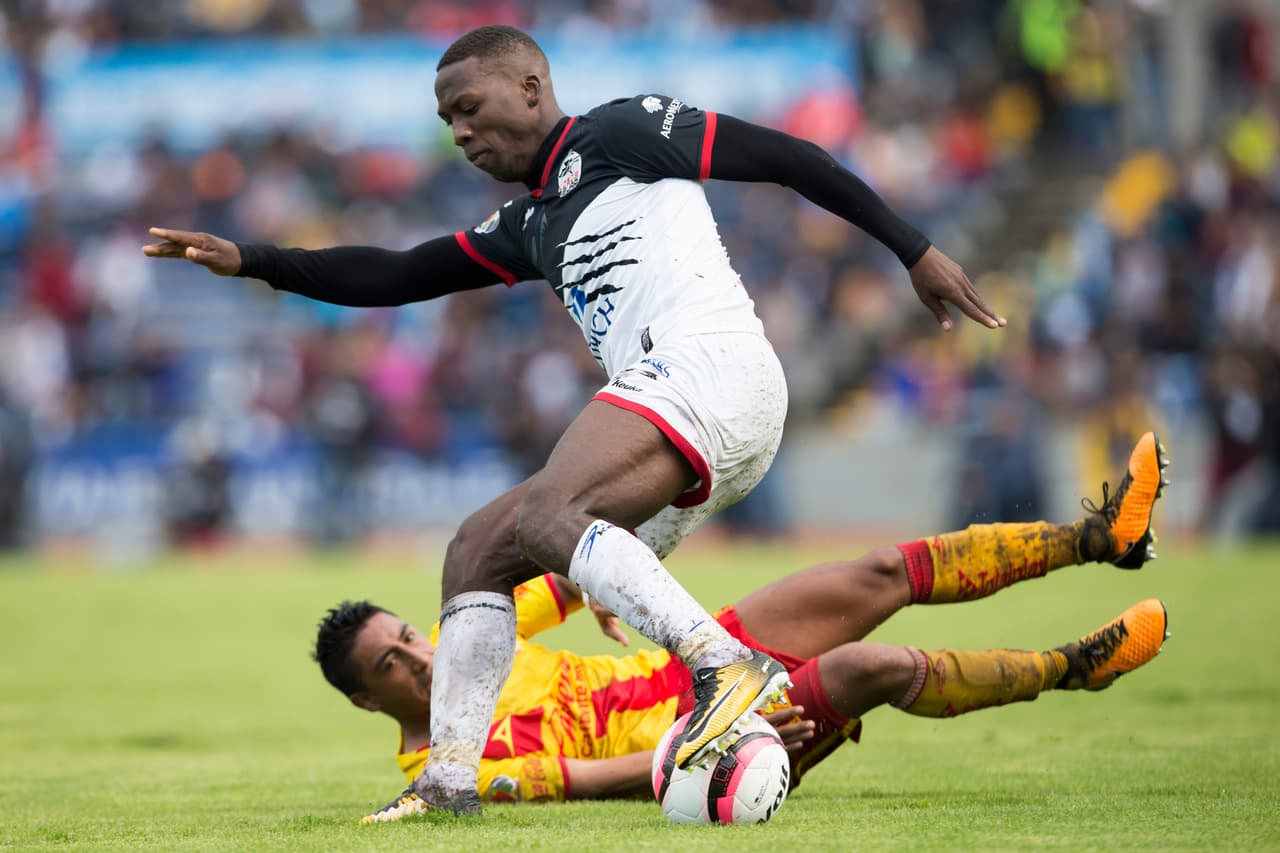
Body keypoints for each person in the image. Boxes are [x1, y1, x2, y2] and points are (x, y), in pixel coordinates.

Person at [146, 23, 1021, 815]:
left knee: (544, 516)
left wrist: (914, 247)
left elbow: (789, 156)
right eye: (447, 120)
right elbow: (395, 273)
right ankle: (448, 783)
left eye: (469, 107)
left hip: (714, 369)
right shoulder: (529, 223)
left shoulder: (617, 132)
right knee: (477, 551)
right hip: (687, 405)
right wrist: (254, 259)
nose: (459, 132)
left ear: (530, 87)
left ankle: (724, 666)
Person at [312, 433, 1171, 822]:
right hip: (700, 745)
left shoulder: (473, 632)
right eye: (392, 662)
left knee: (880, 571)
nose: (419, 655)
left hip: (695, 660)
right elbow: (578, 780)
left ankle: (1103, 537)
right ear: (364, 699)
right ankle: (1077, 663)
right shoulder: (441, 767)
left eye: (410, 636)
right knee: (873, 665)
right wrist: (708, 745)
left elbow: (567, 562)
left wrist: (595, 577)